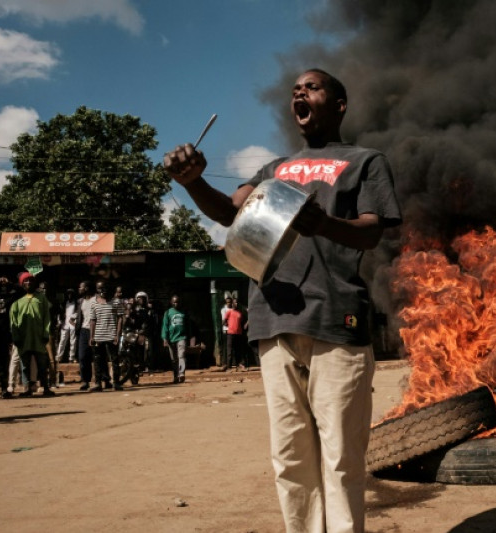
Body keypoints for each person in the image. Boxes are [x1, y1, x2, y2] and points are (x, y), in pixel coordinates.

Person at [164, 68, 402, 533]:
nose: (300, 93)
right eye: (296, 90)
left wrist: (323, 224)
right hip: (272, 321)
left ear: (339, 104)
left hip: (337, 319)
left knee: (340, 457)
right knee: (290, 458)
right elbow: (231, 213)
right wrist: (193, 183)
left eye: (312, 87)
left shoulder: (364, 161)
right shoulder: (274, 170)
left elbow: (373, 232)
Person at [10, 272, 54, 397]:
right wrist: (16, 337)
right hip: (23, 339)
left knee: (41, 364)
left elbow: (47, 317)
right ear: (22, 284)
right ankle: (27, 389)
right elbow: (13, 321)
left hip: (39, 338)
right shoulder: (17, 302)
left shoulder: (41, 298)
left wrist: (46, 333)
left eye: (30, 280)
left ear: (34, 283)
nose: (28, 283)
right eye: (25, 281)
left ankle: (45, 387)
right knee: (25, 366)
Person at [88, 280, 124, 392]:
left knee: (114, 360)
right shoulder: (93, 303)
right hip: (98, 336)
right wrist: (91, 337)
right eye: (99, 288)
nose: (102, 290)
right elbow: (92, 321)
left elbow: (120, 319)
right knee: (98, 360)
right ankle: (98, 383)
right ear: (96, 290)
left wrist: (117, 335)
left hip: (112, 335)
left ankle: (116, 383)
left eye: (103, 287)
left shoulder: (116, 302)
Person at [161, 295, 189, 384]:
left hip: (182, 337)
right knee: (174, 359)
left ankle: (181, 374)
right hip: (171, 338)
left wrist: (190, 336)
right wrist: (165, 338)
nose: (176, 303)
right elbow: (165, 326)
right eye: (174, 302)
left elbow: (188, 325)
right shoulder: (168, 313)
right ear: (171, 302)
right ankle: (175, 376)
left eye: (177, 302)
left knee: (181, 355)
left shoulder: (183, 312)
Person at [75, 280, 96, 391]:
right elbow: (79, 316)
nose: (79, 289)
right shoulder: (80, 301)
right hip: (84, 331)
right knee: (83, 357)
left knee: (97, 356)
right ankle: (85, 381)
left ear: (86, 288)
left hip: (96, 331)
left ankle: (103, 379)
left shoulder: (96, 300)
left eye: (81, 287)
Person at [56, 288, 78, 364]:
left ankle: (71, 358)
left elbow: (78, 313)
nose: (70, 295)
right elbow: (59, 314)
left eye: (71, 294)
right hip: (64, 325)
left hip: (73, 324)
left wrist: (74, 318)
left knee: (73, 341)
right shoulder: (63, 303)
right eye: (68, 294)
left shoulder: (77, 303)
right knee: (62, 341)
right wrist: (59, 322)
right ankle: (59, 357)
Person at [225, 299, 247, 371]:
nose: (235, 304)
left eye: (237, 302)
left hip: (238, 334)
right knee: (230, 351)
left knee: (238, 350)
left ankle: (238, 366)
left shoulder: (240, 313)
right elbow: (224, 321)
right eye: (234, 302)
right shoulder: (229, 312)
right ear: (232, 304)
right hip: (230, 333)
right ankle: (229, 367)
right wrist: (228, 326)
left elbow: (241, 322)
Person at [218, 296, 233, 371]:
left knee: (230, 348)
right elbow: (224, 321)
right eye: (227, 302)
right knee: (225, 348)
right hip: (226, 330)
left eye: (230, 302)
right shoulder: (224, 310)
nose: (229, 304)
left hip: (232, 330)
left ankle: (229, 363)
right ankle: (224, 363)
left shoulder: (233, 309)